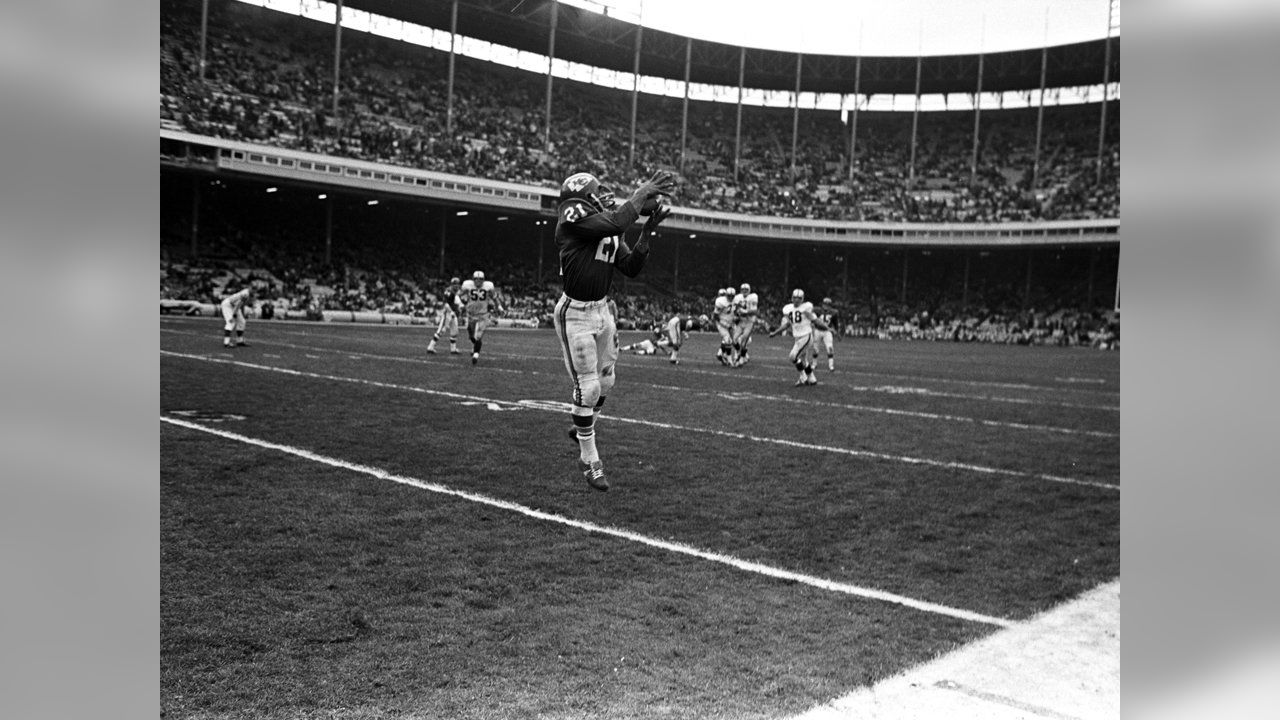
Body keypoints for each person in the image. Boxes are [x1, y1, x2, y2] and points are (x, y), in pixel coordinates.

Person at [554, 169, 677, 491]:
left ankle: (584, 423)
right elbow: (615, 222)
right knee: (589, 387)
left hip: (602, 309)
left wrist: (646, 233)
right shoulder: (572, 214)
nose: (606, 195)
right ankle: (589, 459)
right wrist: (641, 193)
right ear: (584, 195)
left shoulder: (608, 227)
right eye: (599, 190)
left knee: (608, 378)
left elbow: (631, 268)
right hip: (576, 313)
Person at [769, 288, 830, 386]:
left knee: (793, 356)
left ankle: (803, 377)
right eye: (795, 297)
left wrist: (827, 328)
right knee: (804, 361)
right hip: (797, 337)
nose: (797, 300)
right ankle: (812, 378)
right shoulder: (788, 309)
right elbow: (787, 324)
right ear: (792, 298)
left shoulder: (806, 308)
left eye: (799, 298)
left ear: (803, 299)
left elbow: (816, 321)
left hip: (806, 336)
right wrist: (775, 333)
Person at [458, 270, 503, 364]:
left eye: (480, 279)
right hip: (471, 314)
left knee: (478, 336)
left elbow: (495, 298)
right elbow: (458, 295)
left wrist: (499, 306)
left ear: (484, 280)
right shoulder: (467, 285)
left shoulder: (488, 286)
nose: (478, 281)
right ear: (473, 279)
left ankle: (475, 355)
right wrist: (460, 304)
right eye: (476, 279)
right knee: (471, 335)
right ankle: (475, 346)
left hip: (483, 315)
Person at [426, 276, 462, 355]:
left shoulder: (457, 292)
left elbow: (456, 303)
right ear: (452, 284)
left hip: (454, 313)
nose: (456, 285)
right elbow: (446, 304)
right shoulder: (449, 291)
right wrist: (451, 311)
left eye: (457, 284)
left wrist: (458, 310)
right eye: (455, 284)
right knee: (441, 330)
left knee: (455, 331)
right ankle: (430, 347)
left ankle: (453, 349)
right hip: (448, 313)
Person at [730, 282, 758, 367]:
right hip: (741, 322)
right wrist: (737, 314)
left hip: (749, 322)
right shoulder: (737, 297)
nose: (745, 291)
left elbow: (754, 311)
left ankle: (741, 358)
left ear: (749, 290)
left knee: (744, 340)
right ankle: (739, 352)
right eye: (743, 289)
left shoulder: (753, 297)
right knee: (734, 340)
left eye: (746, 290)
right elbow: (734, 309)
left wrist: (745, 312)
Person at [814, 297, 840, 371]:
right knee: (815, 348)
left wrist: (837, 333)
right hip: (818, 330)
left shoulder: (834, 312)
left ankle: (831, 365)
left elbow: (836, 324)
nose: (826, 306)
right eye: (825, 304)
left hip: (827, 332)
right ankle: (814, 364)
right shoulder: (817, 310)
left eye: (828, 305)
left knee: (830, 348)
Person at [713, 287, 735, 365]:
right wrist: (725, 324)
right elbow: (715, 316)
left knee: (732, 340)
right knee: (728, 339)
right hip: (721, 323)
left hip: (730, 323)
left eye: (732, 296)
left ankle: (721, 354)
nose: (731, 297)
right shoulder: (720, 302)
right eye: (729, 296)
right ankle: (729, 360)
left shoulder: (736, 301)